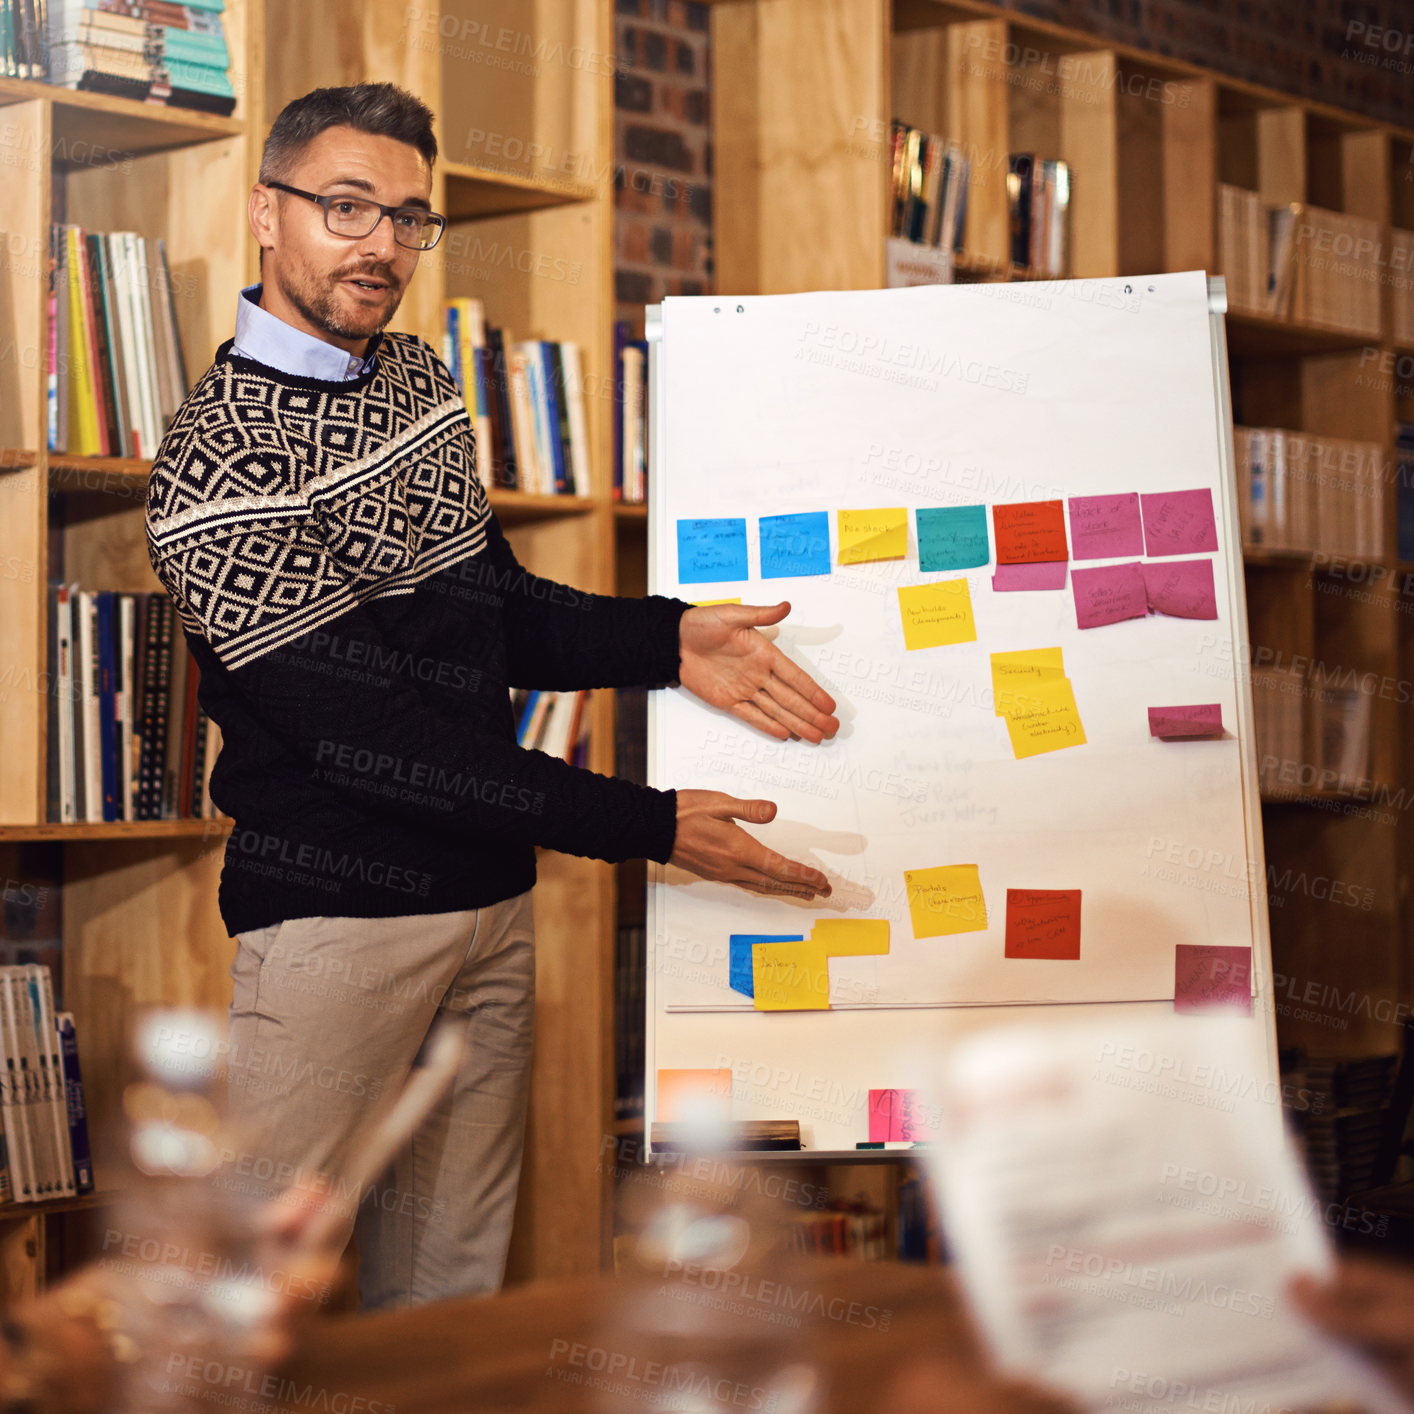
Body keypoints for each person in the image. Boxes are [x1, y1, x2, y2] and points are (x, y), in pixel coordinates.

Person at [144, 81, 839, 1312]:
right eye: (346, 209)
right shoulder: (218, 456)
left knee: (449, 1300)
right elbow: (372, 745)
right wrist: (650, 823)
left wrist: (673, 640)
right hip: (335, 929)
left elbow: (492, 612)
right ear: (267, 211)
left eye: (410, 219)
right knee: (239, 1303)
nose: (382, 246)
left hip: (492, 911)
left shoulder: (415, 378)